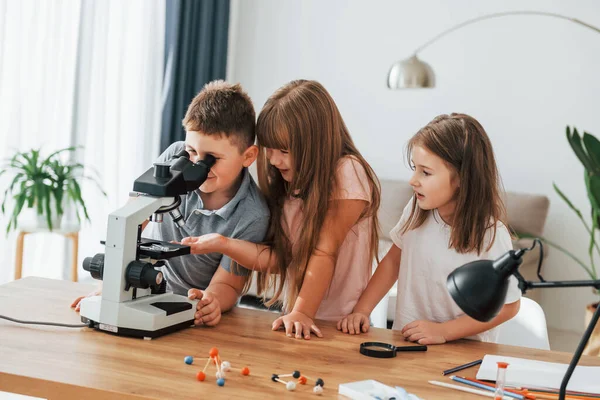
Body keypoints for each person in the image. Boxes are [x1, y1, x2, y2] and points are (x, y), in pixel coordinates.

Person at [181, 80, 381, 339]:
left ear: (315, 145)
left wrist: (304, 312)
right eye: (270, 149)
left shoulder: (348, 172)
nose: (274, 160)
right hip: (298, 321)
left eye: (284, 150)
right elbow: (279, 260)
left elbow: (324, 251)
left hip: (339, 325)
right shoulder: (289, 185)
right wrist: (223, 243)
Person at [72, 81, 270, 327]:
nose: (197, 164)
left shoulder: (252, 215)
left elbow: (229, 283)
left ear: (248, 156)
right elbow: (132, 219)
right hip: (139, 288)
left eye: (211, 159)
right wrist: (108, 287)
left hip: (189, 308)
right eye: (192, 152)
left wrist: (212, 301)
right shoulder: (175, 156)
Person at [338, 113, 521, 344]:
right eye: (415, 168)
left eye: (425, 172)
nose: (413, 180)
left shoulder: (491, 235)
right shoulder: (416, 208)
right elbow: (393, 262)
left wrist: (443, 331)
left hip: (464, 354)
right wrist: (362, 310)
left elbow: (510, 306)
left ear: (462, 178)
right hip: (406, 342)